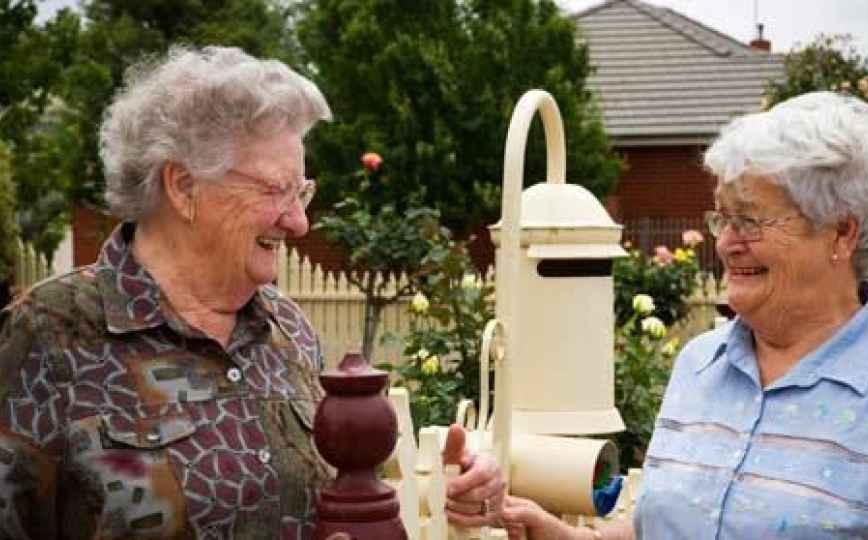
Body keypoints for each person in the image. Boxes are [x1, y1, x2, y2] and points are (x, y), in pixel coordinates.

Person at [0, 45, 503, 539]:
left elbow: (340, 495)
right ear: (184, 187)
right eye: (275, 190)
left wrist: (446, 484)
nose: (300, 222)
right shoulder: (51, 333)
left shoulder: (288, 330)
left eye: (302, 192)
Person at [502, 91, 868, 539]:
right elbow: (667, 524)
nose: (725, 243)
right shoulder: (701, 364)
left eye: (750, 221)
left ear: (841, 233)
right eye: (722, 219)